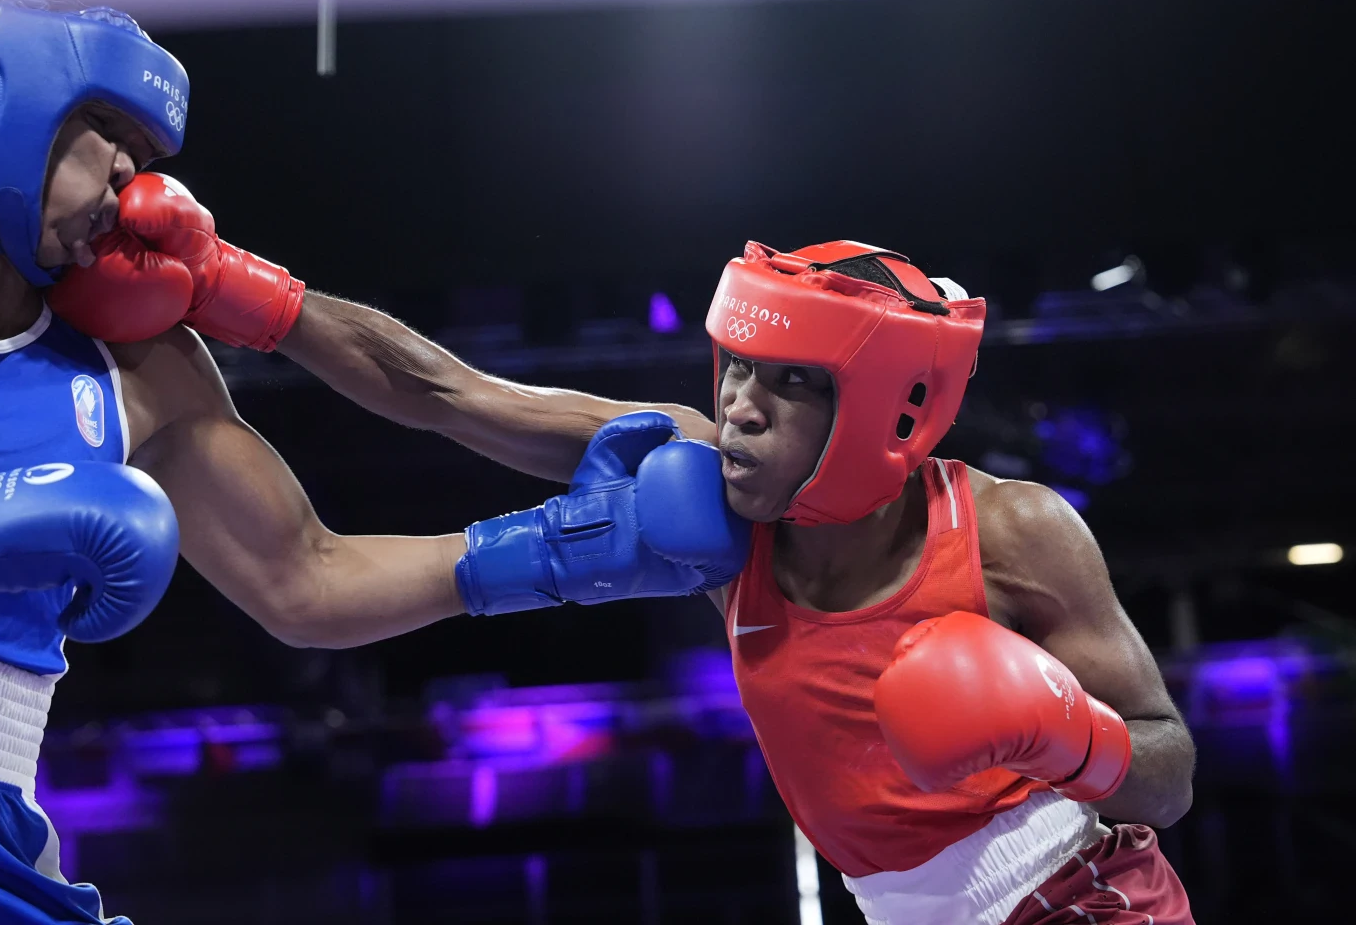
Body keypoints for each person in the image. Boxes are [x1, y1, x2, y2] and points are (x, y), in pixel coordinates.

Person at [59, 205, 1198, 919]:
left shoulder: (1013, 533)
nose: (739, 409)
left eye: (786, 384)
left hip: (1086, 900)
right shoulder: (715, 499)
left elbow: (1169, 767)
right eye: (737, 370)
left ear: (885, 411)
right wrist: (232, 289)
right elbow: (448, 395)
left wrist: (1068, 735)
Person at [0, 0, 748, 924]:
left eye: (142, 159)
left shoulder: (132, 367)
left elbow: (308, 578)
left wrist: (557, 548)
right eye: (104, 129)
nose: (126, 176)